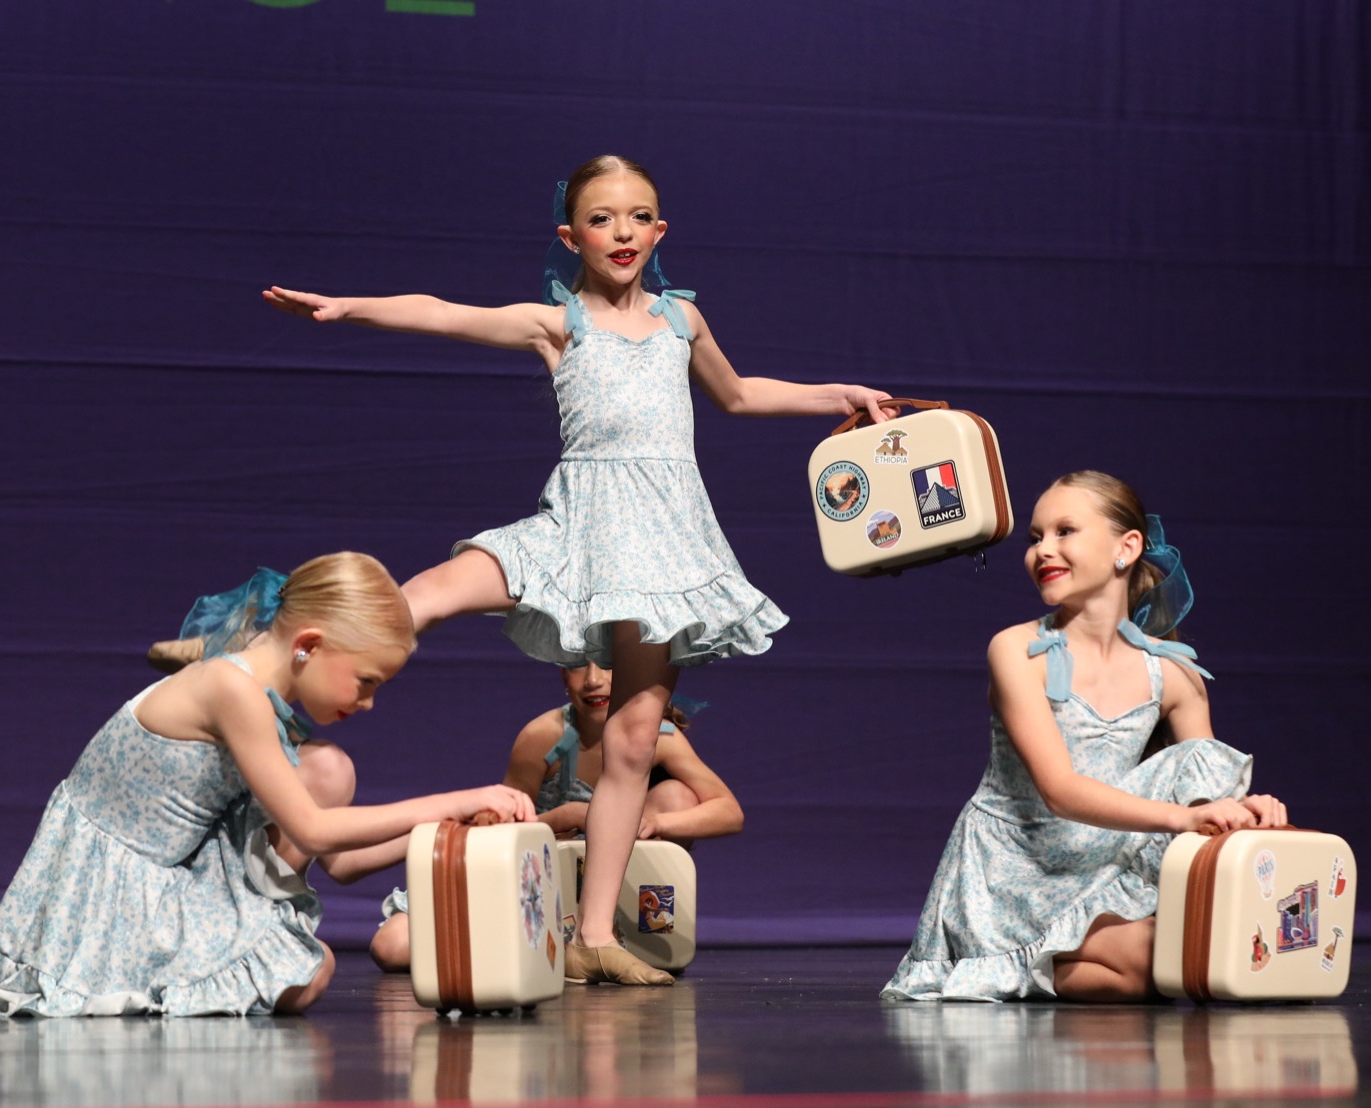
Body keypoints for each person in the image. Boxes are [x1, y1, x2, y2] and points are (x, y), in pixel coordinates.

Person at [153, 155, 889, 985]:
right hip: (574, 527)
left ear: (660, 231)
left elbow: (741, 394)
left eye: (637, 217)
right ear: (571, 237)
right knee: (421, 597)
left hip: (665, 543)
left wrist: (836, 395)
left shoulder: (682, 321)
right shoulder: (559, 324)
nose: (621, 233)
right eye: (602, 219)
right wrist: (349, 307)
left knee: (633, 740)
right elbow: (444, 314)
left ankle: (595, 935)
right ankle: (246, 651)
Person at [0, 553, 534, 1018]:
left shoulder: (253, 686)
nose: (368, 703)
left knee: (328, 772)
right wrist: (457, 797)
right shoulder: (233, 690)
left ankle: (237, 940)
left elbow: (340, 863)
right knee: (307, 968)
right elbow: (314, 830)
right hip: (113, 892)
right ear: (308, 645)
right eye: (365, 681)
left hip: (181, 866)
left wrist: (449, 830)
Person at [881, 471, 1288, 1003]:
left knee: (1176, 951)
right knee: (1156, 957)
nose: (1042, 550)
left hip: (1101, 861)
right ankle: (1009, 957)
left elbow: (1204, 793)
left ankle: (1040, 966)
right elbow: (1060, 790)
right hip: (1018, 869)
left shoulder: (1174, 675)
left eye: (1065, 531)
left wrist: (1241, 811)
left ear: (1127, 548)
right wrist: (1182, 817)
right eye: (1035, 537)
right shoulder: (1016, 649)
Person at [365, 661, 745, 972]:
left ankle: (631, 935)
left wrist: (655, 823)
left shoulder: (660, 738)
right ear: (564, 676)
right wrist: (566, 816)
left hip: (619, 894)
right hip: (540, 887)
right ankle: (528, 947)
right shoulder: (543, 736)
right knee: (393, 944)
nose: (593, 680)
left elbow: (729, 812)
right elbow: (500, 834)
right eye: (579, 665)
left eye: (609, 664)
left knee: (678, 796)